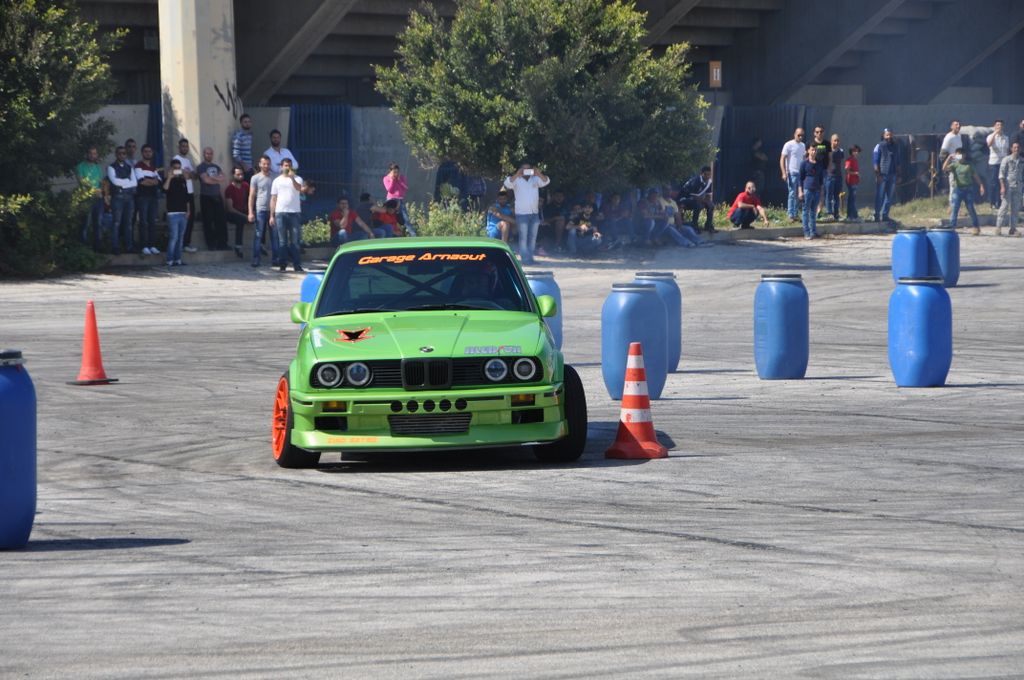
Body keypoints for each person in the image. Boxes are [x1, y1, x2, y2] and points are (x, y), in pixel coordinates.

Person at [503, 163, 550, 265]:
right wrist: (517, 174)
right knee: (523, 237)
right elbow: (507, 184)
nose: (527, 171)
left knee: (532, 237)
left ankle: (530, 258)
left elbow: (546, 181)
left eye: (529, 169)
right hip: (522, 214)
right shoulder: (516, 180)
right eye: (524, 169)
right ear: (520, 169)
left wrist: (538, 173)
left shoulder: (535, 179)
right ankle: (525, 259)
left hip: (534, 213)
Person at [269, 158, 307, 272]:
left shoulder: (298, 178)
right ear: (281, 167)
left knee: (295, 240)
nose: (287, 168)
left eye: (289, 166)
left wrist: (292, 178)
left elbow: (299, 189)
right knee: (282, 240)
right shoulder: (276, 181)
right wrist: (272, 215)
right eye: (286, 165)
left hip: (294, 212)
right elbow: (273, 198)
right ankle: (282, 264)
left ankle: (297, 265)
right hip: (280, 212)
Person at [942, 147, 985, 234]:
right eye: (957, 154)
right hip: (958, 189)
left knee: (970, 208)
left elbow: (975, 176)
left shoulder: (969, 165)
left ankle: (976, 227)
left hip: (968, 189)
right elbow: (944, 168)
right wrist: (949, 158)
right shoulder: (955, 165)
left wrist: (981, 185)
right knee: (955, 209)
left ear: (964, 155)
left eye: (960, 154)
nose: (959, 156)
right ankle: (952, 227)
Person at [247, 154, 278, 267]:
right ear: (260, 164)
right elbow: (251, 195)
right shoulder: (255, 178)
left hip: (273, 210)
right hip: (260, 210)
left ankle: (276, 259)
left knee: (274, 236)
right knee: (258, 235)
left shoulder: (275, 177)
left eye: (268, 164)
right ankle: (256, 259)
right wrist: (250, 212)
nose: (266, 166)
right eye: (264, 163)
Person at [196, 146, 229, 250]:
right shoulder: (201, 167)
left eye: (210, 153)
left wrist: (212, 178)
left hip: (217, 196)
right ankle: (211, 244)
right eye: (207, 153)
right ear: (204, 154)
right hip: (206, 197)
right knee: (208, 221)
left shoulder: (216, 166)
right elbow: (206, 181)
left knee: (221, 220)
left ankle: (222, 244)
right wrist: (216, 179)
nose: (209, 155)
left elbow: (223, 178)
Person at [106, 145, 137, 254]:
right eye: (119, 153)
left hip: (129, 198)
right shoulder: (111, 167)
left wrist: (123, 183)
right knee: (116, 222)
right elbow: (114, 181)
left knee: (128, 223)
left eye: (124, 153)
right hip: (117, 198)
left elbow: (135, 182)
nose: (122, 155)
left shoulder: (129, 167)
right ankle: (115, 247)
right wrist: (127, 182)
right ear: (116, 154)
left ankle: (129, 246)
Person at [133, 144, 162, 256]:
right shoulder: (138, 166)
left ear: (152, 153)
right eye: (145, 151)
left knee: (152, 222)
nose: (148, 153)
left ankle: (152, 245)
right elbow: (141, 181)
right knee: (143, 221)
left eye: (150, 151)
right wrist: (152, 181)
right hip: (142, 197)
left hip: (153, 197)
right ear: (142, 153)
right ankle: (144, 246)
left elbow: (158, 182)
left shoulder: (154, 167)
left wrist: (150, 181)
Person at [163, 158, 190, 266]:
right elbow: (164, 189)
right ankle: (169, 260)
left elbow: (187, 197)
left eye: (179, 168)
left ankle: (178, 259)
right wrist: (169, 177)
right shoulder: (168, 179)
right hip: (172, 213)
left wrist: (188, 211)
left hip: (183, 213)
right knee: (173, 237)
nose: (177, 170)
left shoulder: (182, 180)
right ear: (171, 169)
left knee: (180, 237)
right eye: (175, 168)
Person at [172, 138, 198, 253]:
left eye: (186, 146)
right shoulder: (176, 159)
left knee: (191, 218)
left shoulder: (187, 160)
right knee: (184, 219)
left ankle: (186, 242)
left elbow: (193, 175)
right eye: (183, 146)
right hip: (181, 192)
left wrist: (187, 173)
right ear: (179, 147)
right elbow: (174, 172)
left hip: (190, 191)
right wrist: (184, 173)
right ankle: (180, 244)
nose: (185, 148)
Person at [76, 147, 104, 249]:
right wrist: (93, 190)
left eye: (95, 154)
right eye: (91, 153)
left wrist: (102, 191)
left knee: (98, 223)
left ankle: (97, 248)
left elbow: (100, 182)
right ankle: (82, 248)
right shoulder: (80, 166)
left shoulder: (97, 167)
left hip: (98, 198)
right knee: (85, 224)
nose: (93, 156)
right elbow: (82, 181)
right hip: (86, 198)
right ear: (87, 154)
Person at [873, 128, 900, 225]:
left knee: (889, 197)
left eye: (890, 135)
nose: (889, 137)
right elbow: (875, 161)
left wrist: (898, 175)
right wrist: (878, 174)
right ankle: (876, 215)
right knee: (879, 196)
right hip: (882, 175)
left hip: (892, 175)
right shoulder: (879, 146)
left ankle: (885, 215)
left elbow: (897, 162)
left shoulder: (895, 146)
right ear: (884, 136)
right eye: (887, 135)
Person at [997, 141, 1023, 237]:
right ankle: (998, 227)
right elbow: (1001, 175)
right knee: (1004, 207)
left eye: (1018, 147)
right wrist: (1002, 187)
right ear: (1011, 149)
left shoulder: (1022, 161)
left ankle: (1013, 228)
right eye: (1014, 147)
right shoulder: (1006, 160)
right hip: (1008, 186)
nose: (1016, 149)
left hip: (1018, 186)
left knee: (1015, 209)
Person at [224, 166, 251, 257]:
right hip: (233, 213)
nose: (240, 176)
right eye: (238, 174)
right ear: (233, 175)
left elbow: (251, 199)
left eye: (242, 174)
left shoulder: (246, 186)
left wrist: (251, 212)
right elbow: (230, 208)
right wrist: (245, 216)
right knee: (240, 220)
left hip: (244, 211)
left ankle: (261, 244)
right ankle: (238, 246)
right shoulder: (229, 189)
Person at [780, 127, 806, 222]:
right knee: (792, 194)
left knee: (799, 195)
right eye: (798, 135)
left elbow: (803, 159)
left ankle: (795, 214)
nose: (800, 137)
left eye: (802, 135)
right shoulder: (788, 144)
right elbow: (782, 158)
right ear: (794, 134)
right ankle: (790, 215)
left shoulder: (803, 145)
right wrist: (784, 172)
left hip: (800, 173)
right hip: (791, 172)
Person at [678, 166, 714, 233]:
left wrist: (708, 202)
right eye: (705, 174)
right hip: (684, 199)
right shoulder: (696, 180)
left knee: (711, 205)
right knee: (697, 204)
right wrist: (705, 201)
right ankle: (694, 225)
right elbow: (693, 196)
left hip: (695, 199)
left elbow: (708, 195)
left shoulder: (709, 182)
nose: (707, 176)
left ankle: (708, 226)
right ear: (701, 174)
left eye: (709, 174)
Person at [799, 147, 824, 240]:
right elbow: (800, 179)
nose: (814, 152)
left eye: (815, 150)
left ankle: (813, 231)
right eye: (812, 150)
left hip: (816, 190)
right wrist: (800, 191)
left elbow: (821, 180)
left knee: (813, 212)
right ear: (808, 151)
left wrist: (821, 192)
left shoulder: (819, 164)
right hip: (807, 190)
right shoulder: (804, 163)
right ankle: (806, 232)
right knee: (806, 211)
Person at [986, 120, 1009, 210]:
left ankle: (998, 202)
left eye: (1001, 125)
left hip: (1002, 163)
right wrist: (995, 133)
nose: (999, 126)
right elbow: (989, 144)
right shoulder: (990, 136)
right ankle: (991, 202)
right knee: (993, 183)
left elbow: (1006, 150)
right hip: (993, 162)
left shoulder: (1006, 137)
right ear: (994, 126)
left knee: (1001, 183)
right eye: (997, 125)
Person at [940, 120, 963, 203]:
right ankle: (952, 205)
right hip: (953, 164)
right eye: (956, 124)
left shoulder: (959, 136)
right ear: (951, 126)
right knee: (953, 186)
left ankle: (958, 206)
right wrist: (948, 166)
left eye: (959, 124)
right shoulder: (949, 137)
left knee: (960, 186)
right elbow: (942, 153)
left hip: (960, 164)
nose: (958, 126)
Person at [824, 134, 844, 222]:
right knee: (829, 195)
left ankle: (836, 214)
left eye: (838, 140)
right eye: (835, 140)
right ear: (831, 141)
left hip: (838, 176)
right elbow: (817, 147)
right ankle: (829, 213)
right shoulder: (826, 149)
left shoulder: (841, 151)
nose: (836, 142)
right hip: (829, 176)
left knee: (837, 196)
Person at [382, 162, 409, 227]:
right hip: (391, 199)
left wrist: (399, 180)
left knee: (405, 218)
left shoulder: (401, 177)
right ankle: (392, 232)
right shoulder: (386, 178)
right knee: (390, 217)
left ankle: (413, 235)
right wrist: (392, 180)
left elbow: (406, 188)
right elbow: (390, 190)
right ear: (390, 171)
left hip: (400, 199)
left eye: (397, 172)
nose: (396, 174)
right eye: (394, 172)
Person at [231, 113, 254, 179]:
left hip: (249, 167)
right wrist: (244, 166)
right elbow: (236, 155)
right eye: (245, 122)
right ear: (241, 123)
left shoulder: (249, 135)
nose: (247, 123)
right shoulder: (238, 136)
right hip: (243, 169)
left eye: (249, 122)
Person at [844, 145, 862, 221]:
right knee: (852, 199)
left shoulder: (855, 160)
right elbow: (847, 170)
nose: (856, 152)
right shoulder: (850, 160)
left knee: (852, 199)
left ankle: (851, 215)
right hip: (851, 181)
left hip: (855, 181)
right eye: (854, 151)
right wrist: (856, 173)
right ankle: (852, 216)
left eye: (857, 151)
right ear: (851, 152)